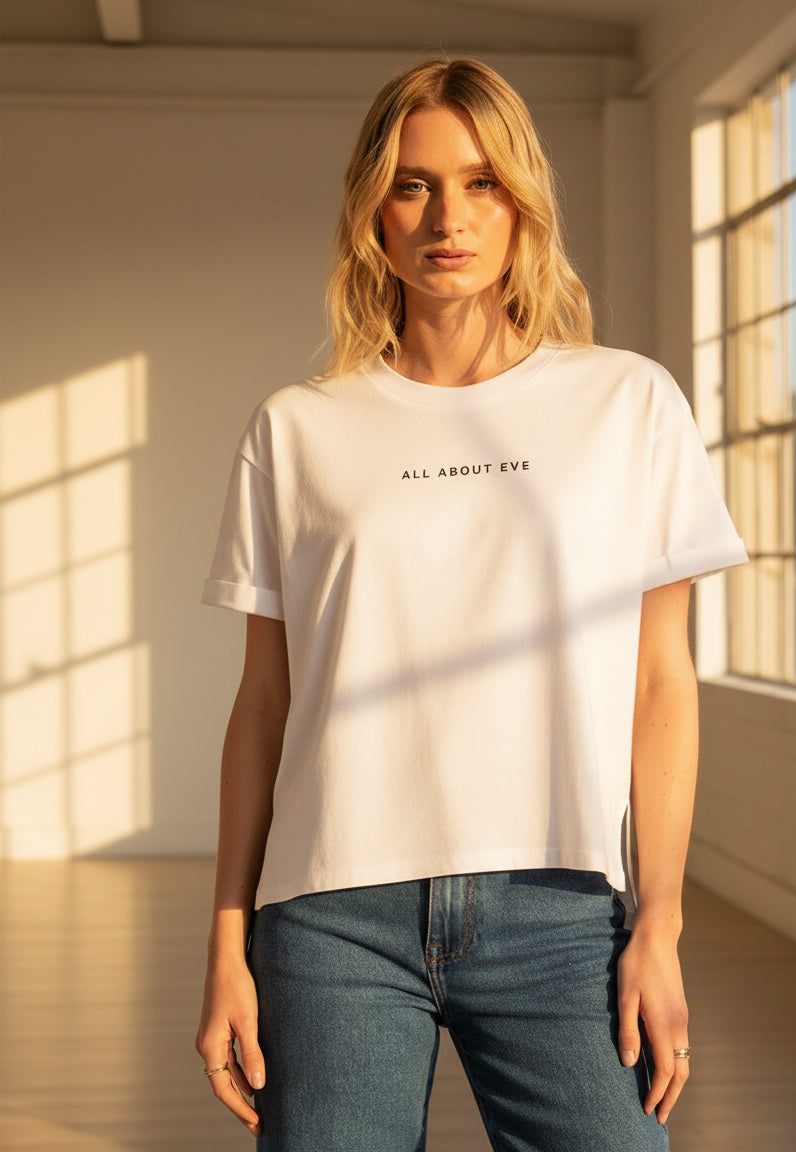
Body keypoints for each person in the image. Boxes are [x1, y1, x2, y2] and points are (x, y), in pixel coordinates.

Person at [195, 57, 747, 1151]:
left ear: (521, 203)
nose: (446, 215)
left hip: (560, 914)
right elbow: (264, 702)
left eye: (480, 182)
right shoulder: (296, 428)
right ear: (371, 209)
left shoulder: (627, 404)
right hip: (330, 922)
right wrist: (224, 947)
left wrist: (660, 923)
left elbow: (658, 681)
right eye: (412, 184)